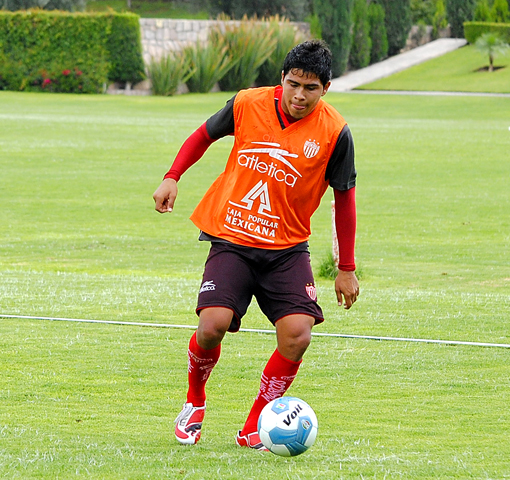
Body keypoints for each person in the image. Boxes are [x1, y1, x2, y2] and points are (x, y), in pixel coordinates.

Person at [153, 40, 359, 451]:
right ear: (282, 78)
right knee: (211, 326)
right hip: (233, 238)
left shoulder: (336, 132)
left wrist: (346, 267)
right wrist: (172, 176)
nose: (299, 95)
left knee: (298, 334)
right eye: (293, 83)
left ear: (326, 88)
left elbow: (345, 199)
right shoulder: (248, 103)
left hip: (288, 249)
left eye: (311, 88)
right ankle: (194, 401)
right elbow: (203, 135)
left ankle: (255, 426)